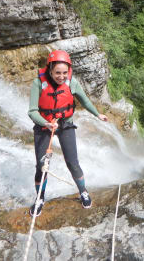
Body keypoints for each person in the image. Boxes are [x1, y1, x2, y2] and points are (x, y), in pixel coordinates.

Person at [27, 50, 108, 216]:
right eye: (57, 73)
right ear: (50, 70)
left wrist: (98, 114)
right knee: (41, 166)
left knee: (72, 162)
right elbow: (32, 111)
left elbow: (84, 101)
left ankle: (83, 191)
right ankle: (40, 198)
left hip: (65, 125)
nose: (61, 76)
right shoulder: (38, 83)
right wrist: (46, 123)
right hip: (44, 125)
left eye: (65, 73)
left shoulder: (72, 83)